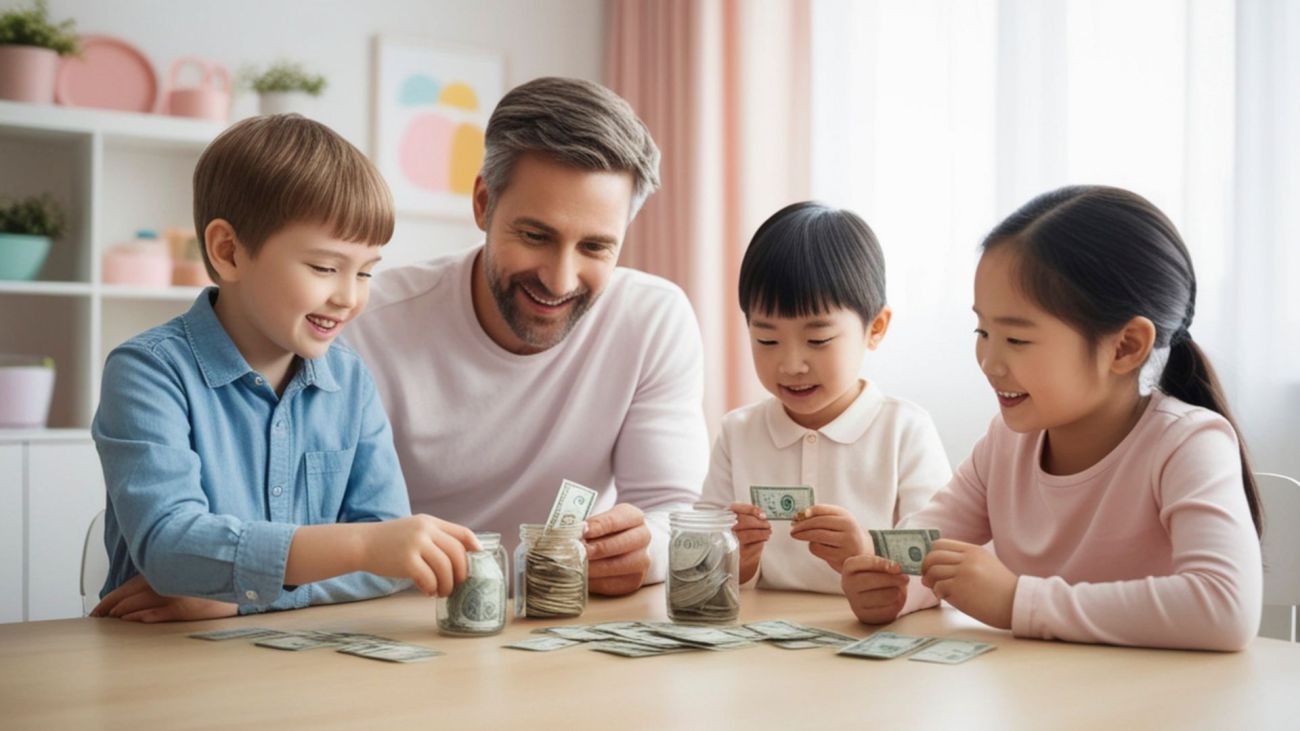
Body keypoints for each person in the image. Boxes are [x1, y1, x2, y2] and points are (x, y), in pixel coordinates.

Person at [91, 115, 479, 622]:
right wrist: (362, 545)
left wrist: (242, 595)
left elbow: (391, 565)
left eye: (365, 272)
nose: (349, 297)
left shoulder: (350, 380)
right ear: (228, 252)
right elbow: (171, 549)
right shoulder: (147, 372)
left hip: (299, 663)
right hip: (156, 661)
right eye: (324, 267)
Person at [841, 185, 1263, 651]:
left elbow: (1225, 609)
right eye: (983, 330)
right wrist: (891, 589)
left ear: (1125, 347)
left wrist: (1019, 602)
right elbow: (921, 551)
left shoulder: (1188, 444)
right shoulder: (1006, 443)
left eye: (1017, 340)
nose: (989, 362)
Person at [347, 78, 708, 596]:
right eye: (536, 236)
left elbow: (673, 514)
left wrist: (645, 550)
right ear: (483, 204)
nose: (560, 280)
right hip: (407, 623)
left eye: (595, 247)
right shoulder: (371, 323)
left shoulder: (653, 318)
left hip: (571, 623)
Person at [697, 202, 951, 594]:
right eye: (766, 340)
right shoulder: (738, 433)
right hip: (761, 639)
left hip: (872, 633)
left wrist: (866, 553)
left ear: (876, 328)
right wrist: (739, 560)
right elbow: (702, 564)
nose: (791, 364)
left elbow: (938, 565)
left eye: (818, 340)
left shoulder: (905, 430)